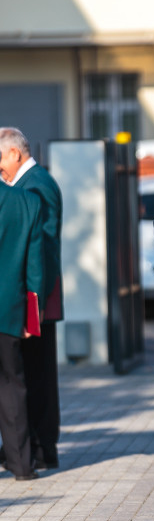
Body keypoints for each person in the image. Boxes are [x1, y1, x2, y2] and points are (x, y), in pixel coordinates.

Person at [0, 128, 63, 470]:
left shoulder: (35, 184)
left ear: (15, 153)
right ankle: (31, 446)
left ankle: (39, 447)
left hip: (34, 296)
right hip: (30, 295)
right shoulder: (32, 182)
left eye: (1, 160)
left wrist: (35, 301)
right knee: (31, 373)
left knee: (36, 374)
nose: (0, 169)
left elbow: (44, 247)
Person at [0, 167, 44, 480]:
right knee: (12, 385)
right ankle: (21, 465)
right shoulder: (27, 201)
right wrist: (32, 315)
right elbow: (35, 265)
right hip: (10, 308)